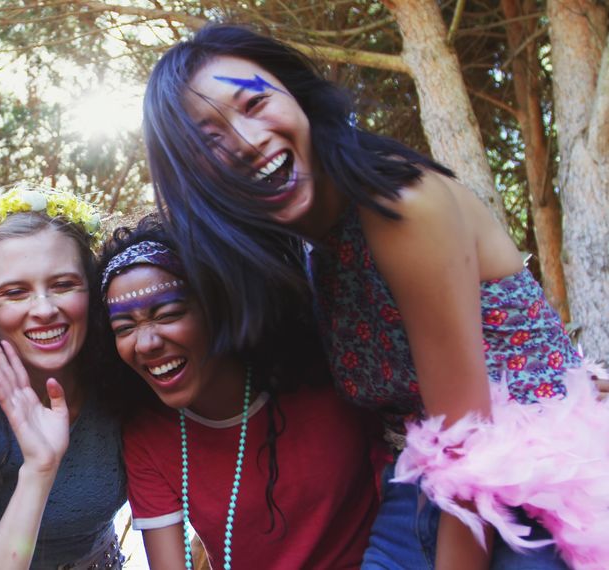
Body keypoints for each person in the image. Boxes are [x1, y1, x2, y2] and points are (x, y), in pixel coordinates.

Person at [140, 23, 609, 569]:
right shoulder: (307, 247)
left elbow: (470, 447)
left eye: (255, 102)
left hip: (531, 491)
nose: (247, 142)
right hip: (417, 488)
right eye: (210, 141)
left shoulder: (401, 204)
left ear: (299, 97)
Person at [98, 215, 380, 570]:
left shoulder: (327, 373)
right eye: (124, 327)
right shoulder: (149, 433)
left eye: (169, 314)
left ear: (219, 304)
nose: (147, 342)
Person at [0, 186, 127, 569]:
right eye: (16, 292)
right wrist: (39, 468)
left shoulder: (124, 385)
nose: (44, 309)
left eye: (63, 285)